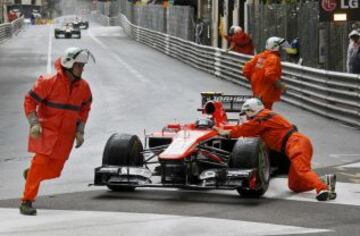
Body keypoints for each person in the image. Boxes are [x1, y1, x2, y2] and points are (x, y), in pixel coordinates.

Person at [20, 47, 95, 215]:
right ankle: (27, 201)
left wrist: (80, 131)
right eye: (79, 65)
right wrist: (34, 123)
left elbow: (85, 108)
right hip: (45, 133)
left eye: (83, 66)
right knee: (39, 164)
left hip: (65, 137)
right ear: (68, 64)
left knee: (55, 172)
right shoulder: (48, 82)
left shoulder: (84, 87)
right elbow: (30, 101)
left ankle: (32, 175)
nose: (82, 69)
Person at [215, 98, 337, 201]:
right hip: (295, 144)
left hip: (296, 143)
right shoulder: (264, 119)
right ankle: (324, 181)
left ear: (251, 110)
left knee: (302, 171)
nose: (246, 117)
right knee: (294, 185)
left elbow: (245, 129)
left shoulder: (263, 116)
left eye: (246, 113)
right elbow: (250, 132)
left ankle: (323, 190)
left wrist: (227, 133)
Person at [242, 36, 288, 110]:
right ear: (276, 47)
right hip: (267, 92)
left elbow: (246, 70)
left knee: (257, 112)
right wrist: (281, 86)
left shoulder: (259, 56)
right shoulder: (274, 58)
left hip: (257, 91)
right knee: (264, 114)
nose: (282, 49)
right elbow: (270, 74)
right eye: (280, 46)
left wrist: (254, 81)